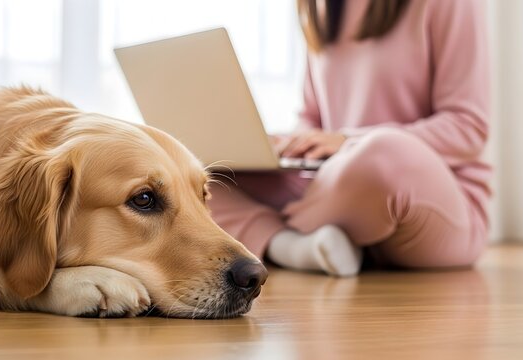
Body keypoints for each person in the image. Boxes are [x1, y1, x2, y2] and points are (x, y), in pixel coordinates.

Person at [208, 0, 491, 276]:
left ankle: (284, 231)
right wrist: (287, 146)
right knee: (205, 171)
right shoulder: (319, 6)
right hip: (336, 185)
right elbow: (311, 118)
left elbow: (467, 126)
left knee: (384, 155)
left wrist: (347, 140)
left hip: (425, 201)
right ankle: (294, 247)